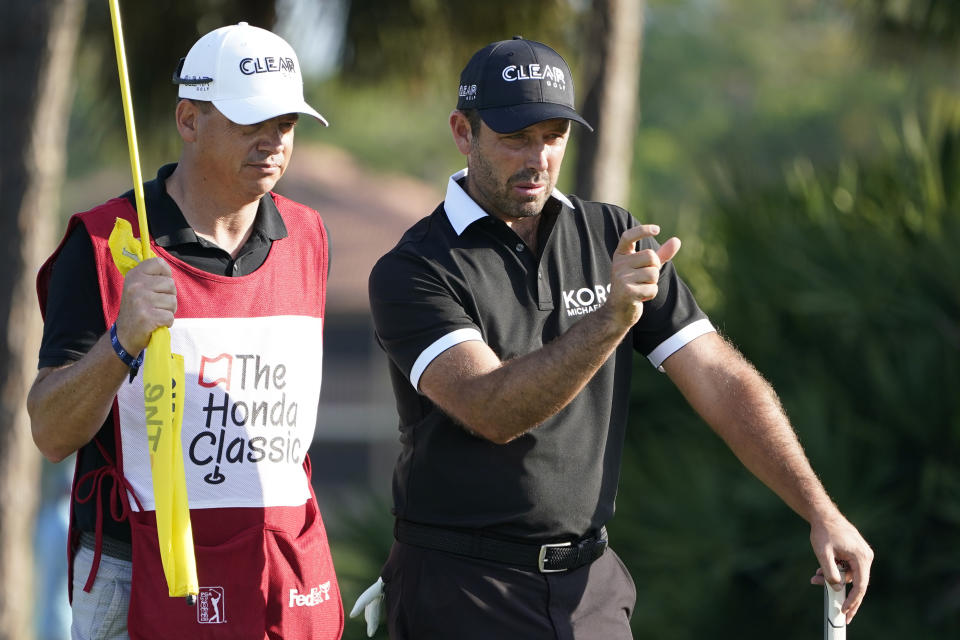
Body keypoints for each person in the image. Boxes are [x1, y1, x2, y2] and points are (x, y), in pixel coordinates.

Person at [364, 37, 873, 639]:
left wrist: (819, 510)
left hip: (591, 591)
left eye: (554, 135)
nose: (538, 158)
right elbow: (492, 409)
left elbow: (718, 377)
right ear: (461, 131)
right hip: (462, 591)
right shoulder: (415, 268)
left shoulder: (612, 232)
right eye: (514, 138)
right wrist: (610, 319)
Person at [28, 22, 343, 640]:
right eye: (251, 120)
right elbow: (49, 431)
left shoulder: (310, 236)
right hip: (136, 573)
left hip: (278, 568)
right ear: (189, 119)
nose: (273, 141)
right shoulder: (104, 242)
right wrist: (121, 343)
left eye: (285, 123)